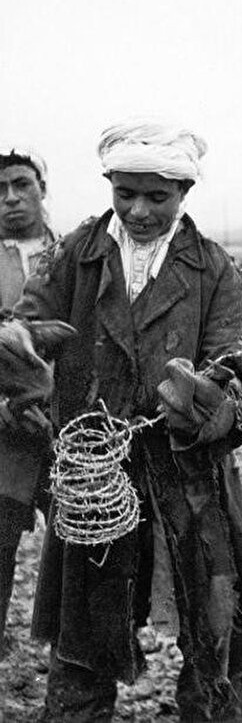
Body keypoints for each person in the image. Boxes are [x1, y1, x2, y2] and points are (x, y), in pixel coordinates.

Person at [5, 121, 242, 722]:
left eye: (157, 197)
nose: (138, 210)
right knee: (82, 652)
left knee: (216, 649)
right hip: (94, 482)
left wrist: (211, 397)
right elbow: (28, 327)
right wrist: (22, 351)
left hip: (193, 482)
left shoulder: (213, 268)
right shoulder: (74, 256)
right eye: (125, 193)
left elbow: (236, 364)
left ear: (184, 192)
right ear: (109, 183)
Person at [0, 147, 58, 654]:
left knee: (83, 552)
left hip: (71, 434)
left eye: (22, 184)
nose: (11, 199)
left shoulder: (78, 256)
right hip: (3, 441)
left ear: (43, 187)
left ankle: (79, 668)